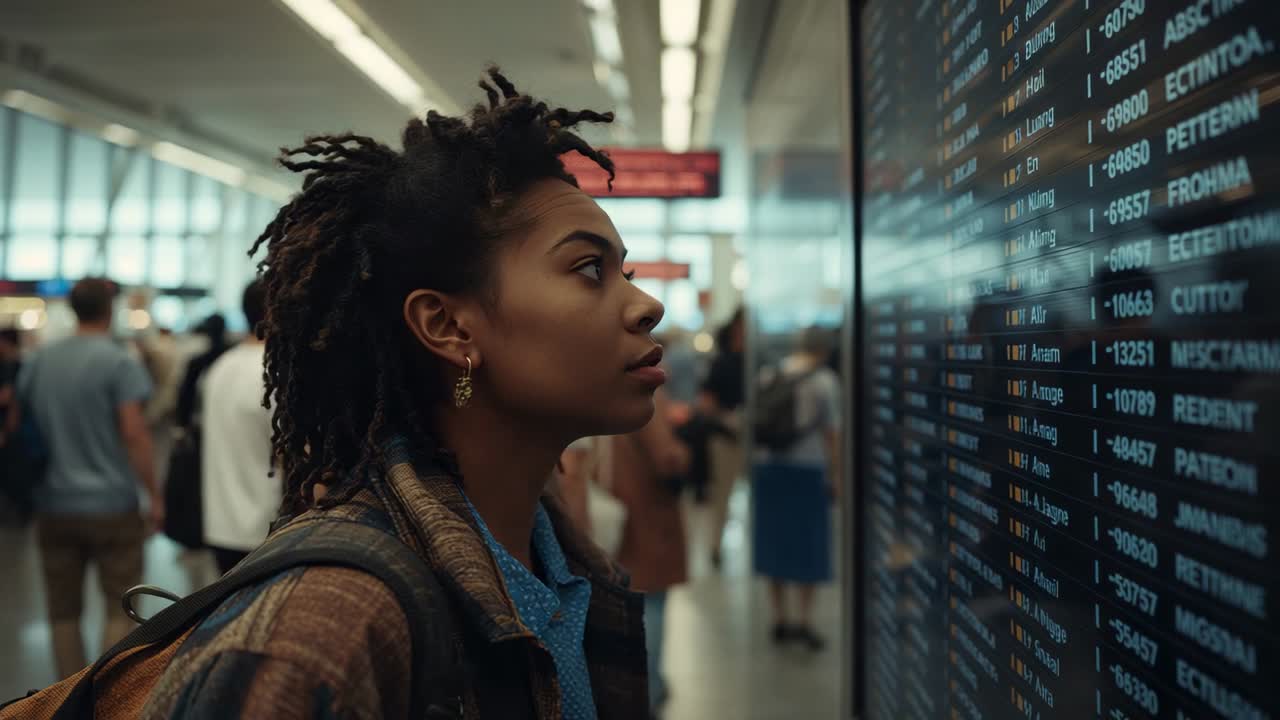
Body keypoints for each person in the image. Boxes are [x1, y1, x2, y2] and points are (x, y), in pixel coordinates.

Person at [139, 68, 662, 718]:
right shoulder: (320, 636)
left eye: (627, 271)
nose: (647, 305)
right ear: (447, 327)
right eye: (590, 269)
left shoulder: (564, 570)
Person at [16, 278, 161, 679]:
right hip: (113, 504)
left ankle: (67, 695)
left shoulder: (40, 360)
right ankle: (104, 694)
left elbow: (20, 420)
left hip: (53, 502)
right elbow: (133, 432)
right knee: (120, 602)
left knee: (63, 610)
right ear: (109, 309)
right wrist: (154, 495)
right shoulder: (119, 361)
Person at [751, 327, 841, 651]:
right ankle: (804, 621)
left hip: (769, 468)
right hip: (807, 469)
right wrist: (836, 477)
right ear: (825, 349)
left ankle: (779, 618)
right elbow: (832, 434)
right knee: (808, 543)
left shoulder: (769, 374)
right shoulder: (825, 381)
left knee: (775, 540)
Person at [611, 389, 690, 713]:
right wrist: (686, 452)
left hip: (616, 505)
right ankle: (648, 691)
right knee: (650, 601)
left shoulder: (597, 389)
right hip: (646, 513)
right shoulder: (646, 398)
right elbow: (667, 457)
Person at [199, 280, 277, 574]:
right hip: (266, 528)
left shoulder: (221, 367)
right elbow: (290, 453)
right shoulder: (274, 369)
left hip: (221, 524)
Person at [698, 307, 745, 568]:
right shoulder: (722, 362)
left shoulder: (757, 359)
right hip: (725, 439)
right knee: (721, 495)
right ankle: (715, 545)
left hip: (752, 440)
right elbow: (706, 402)